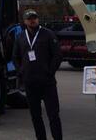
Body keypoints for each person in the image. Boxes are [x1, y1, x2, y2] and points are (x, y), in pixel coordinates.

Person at [12, 9, 63, 140]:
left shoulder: (48, 34)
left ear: (38, 19)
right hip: (30, 83)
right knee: (35, 116)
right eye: (29, 18)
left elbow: (57, 55)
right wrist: (21, 72)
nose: (32, 20)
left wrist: (50, 72)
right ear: (24, 21)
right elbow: (15, 57)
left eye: (34, 17)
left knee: (53, 115)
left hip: (47, 83)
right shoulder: (21, 37)